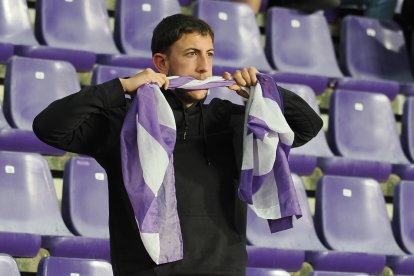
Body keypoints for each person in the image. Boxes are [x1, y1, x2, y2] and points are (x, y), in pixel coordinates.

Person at [33, 14, 323, 276]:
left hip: (224, 270)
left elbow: (308, 126)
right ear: (161, 63)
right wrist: (120, 86)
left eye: (209, 54)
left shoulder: (231, 120)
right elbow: (49, 128)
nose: (203, 67)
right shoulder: (126, 121)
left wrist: (265, 91)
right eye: (192, 54)